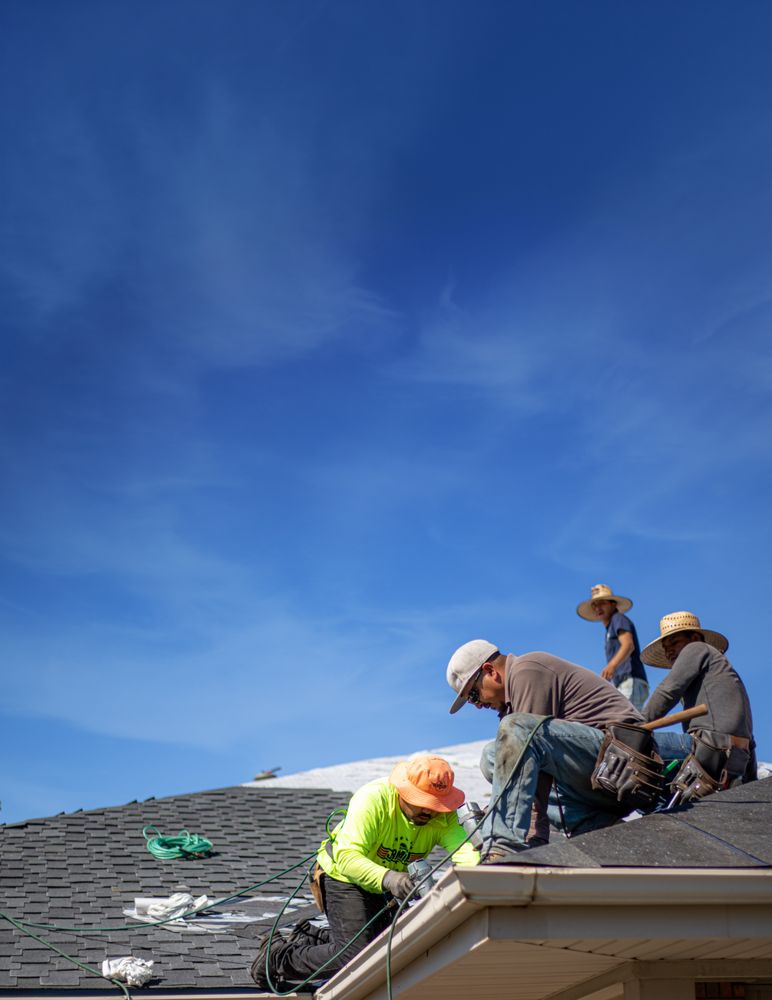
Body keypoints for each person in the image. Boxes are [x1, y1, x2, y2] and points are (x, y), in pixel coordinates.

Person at [446, 640, 690, 861]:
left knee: (516, 730)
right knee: (493, 755)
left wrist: (529, 841)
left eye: (474, 696)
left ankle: (505, 845)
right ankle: (597, 827)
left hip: (624, 759)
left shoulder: (527, 670)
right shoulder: (512, 704)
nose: (477, 706)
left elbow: (533, 768)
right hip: (597, 776)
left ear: (490, 671)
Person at [251, 754, 478, 991]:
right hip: (344, 876)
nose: (429, 812)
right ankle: (275, 959)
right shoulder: (374, 799)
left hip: (384, 884)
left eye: (435, 804)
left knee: (399, 944)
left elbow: (468, 855)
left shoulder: (443, 813)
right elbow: (347, 857)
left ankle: (309, 939)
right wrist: (389, 878)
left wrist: (477, 879)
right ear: (403, 790)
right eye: (422, 802)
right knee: (356, 957)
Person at [641, 611, 756, 789]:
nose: (668, 650)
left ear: (694, 637)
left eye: (674, 643)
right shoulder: (722, 676)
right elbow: (750, 739)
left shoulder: (696, 648)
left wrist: (634, 727)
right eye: (665, 647)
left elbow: (668, 691)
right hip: (734, 760)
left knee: (632, 748)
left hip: (710, 747)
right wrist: (751, 782)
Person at [576, 583, 649, 711]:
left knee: (626, 722)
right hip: (622, 682)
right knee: (627, 722)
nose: (598, 608)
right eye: (595, 605)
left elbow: (628, 644)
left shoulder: (618, 619)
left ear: (613, 604)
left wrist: (611, 666)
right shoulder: (610, 628)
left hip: (630, 679)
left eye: (602, 603)